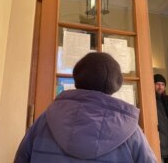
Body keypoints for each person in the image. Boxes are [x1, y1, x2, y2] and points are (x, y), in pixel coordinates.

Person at [14, 52, 157, 163]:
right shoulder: (130, 131)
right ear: (115, 85)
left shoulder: (45, 119)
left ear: (78, 78)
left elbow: (21, 159)